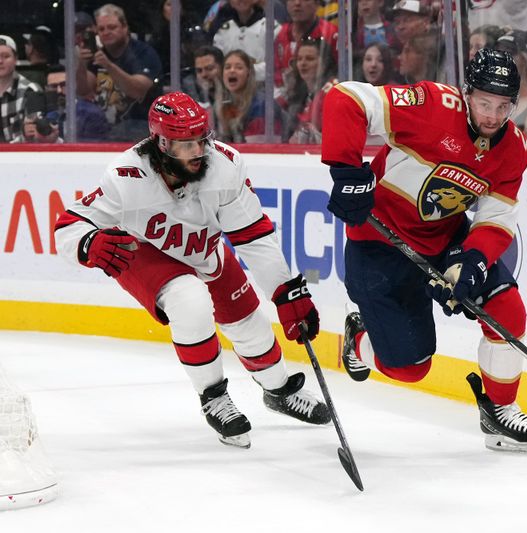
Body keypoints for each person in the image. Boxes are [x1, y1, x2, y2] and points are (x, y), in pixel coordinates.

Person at [54, 92, 330, 449]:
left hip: (203, 249)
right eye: (185, 145)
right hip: (143, 253)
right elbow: (68, 225)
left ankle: (277, 390)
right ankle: (214, 397)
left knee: (250, 325)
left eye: (201, 140)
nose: (198, 152)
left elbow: (253, 237)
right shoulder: (126, 176)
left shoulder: (225, 166)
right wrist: (89, 243)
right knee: (190, 299)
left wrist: (286, 291)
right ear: (161, 143)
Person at [320, 48, 527, 453]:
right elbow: (348, 99)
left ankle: (500, 412)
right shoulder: (431, 105)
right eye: (484, 103)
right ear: (466, 94)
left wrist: (474, 261)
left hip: (445, 239)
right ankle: (359, 337)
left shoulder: (513, 147)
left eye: (503, 106)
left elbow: (498, 215)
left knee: (507, 310)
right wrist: (346, 169)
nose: (493, 116)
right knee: (410, 368)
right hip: (379, 245)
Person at [75, 3, 162, 141]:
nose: (106, 32)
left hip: (141, 128)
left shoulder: (143, 53)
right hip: (105, 130)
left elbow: (137, 90)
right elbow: (84, 91)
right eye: (101, 29)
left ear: (125, 27)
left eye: (112, 27)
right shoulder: (98, 55)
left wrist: (108, 66)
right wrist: (81, 65)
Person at [282, 38, 337, 143]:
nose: (303, 63)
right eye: (299, 59)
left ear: (324, 63)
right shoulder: (302, 94)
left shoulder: (331, 92)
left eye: (310, 59)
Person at [274, 0, 338, 89]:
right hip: (288, 96)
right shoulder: (280, 33)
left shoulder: (331, 33)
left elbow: (340, 72)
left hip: (322, 94)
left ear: (317, 4)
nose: (297, 3)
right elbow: (276, 71)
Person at [214, 50, 269, 143]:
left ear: (249, 73)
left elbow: (258, 149)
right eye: (227, 67)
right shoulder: (221, 104)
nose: (232, 70)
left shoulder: (261, 105)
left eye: (239, 67)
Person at [0, 35, 43, 143]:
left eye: (5, 56)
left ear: (15, 60)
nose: (0, 61)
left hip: (18, 157)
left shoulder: (31, 90)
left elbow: (36, 136)